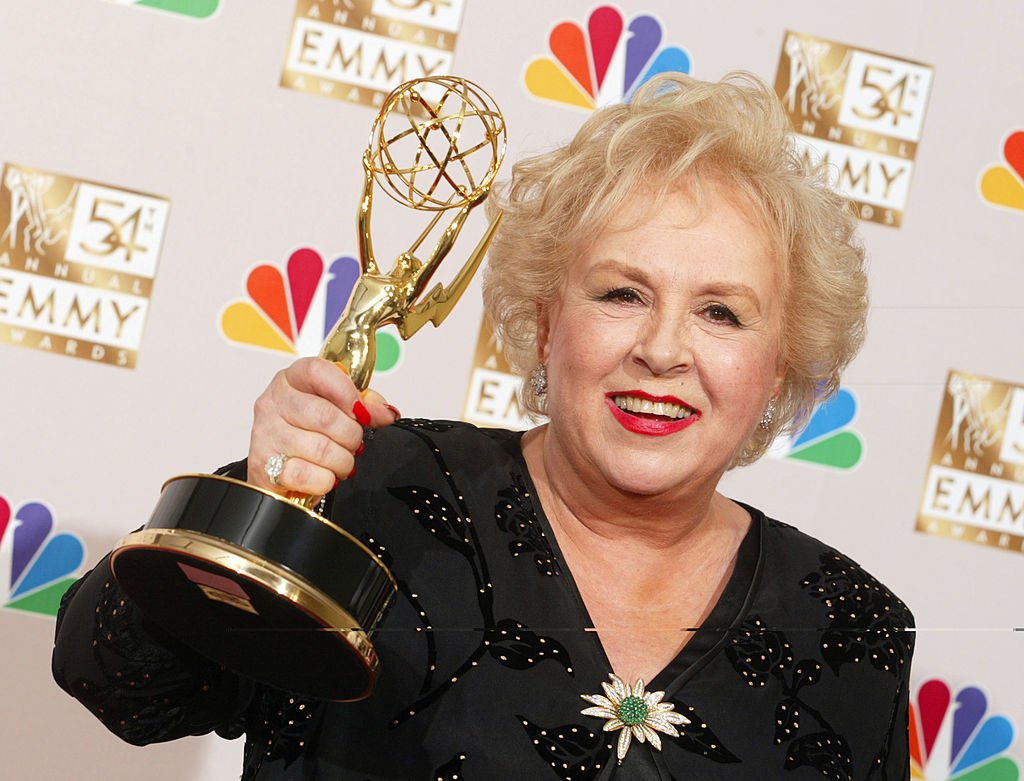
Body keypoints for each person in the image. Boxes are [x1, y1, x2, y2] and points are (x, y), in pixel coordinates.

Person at [52, 72, 914, 780]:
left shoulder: (855, 630)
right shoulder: (373, 488)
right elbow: (119, 683)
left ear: (782, 364)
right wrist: (251, 502)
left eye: (722, 312)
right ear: (545, 322)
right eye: (622, 293)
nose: (662, 349)